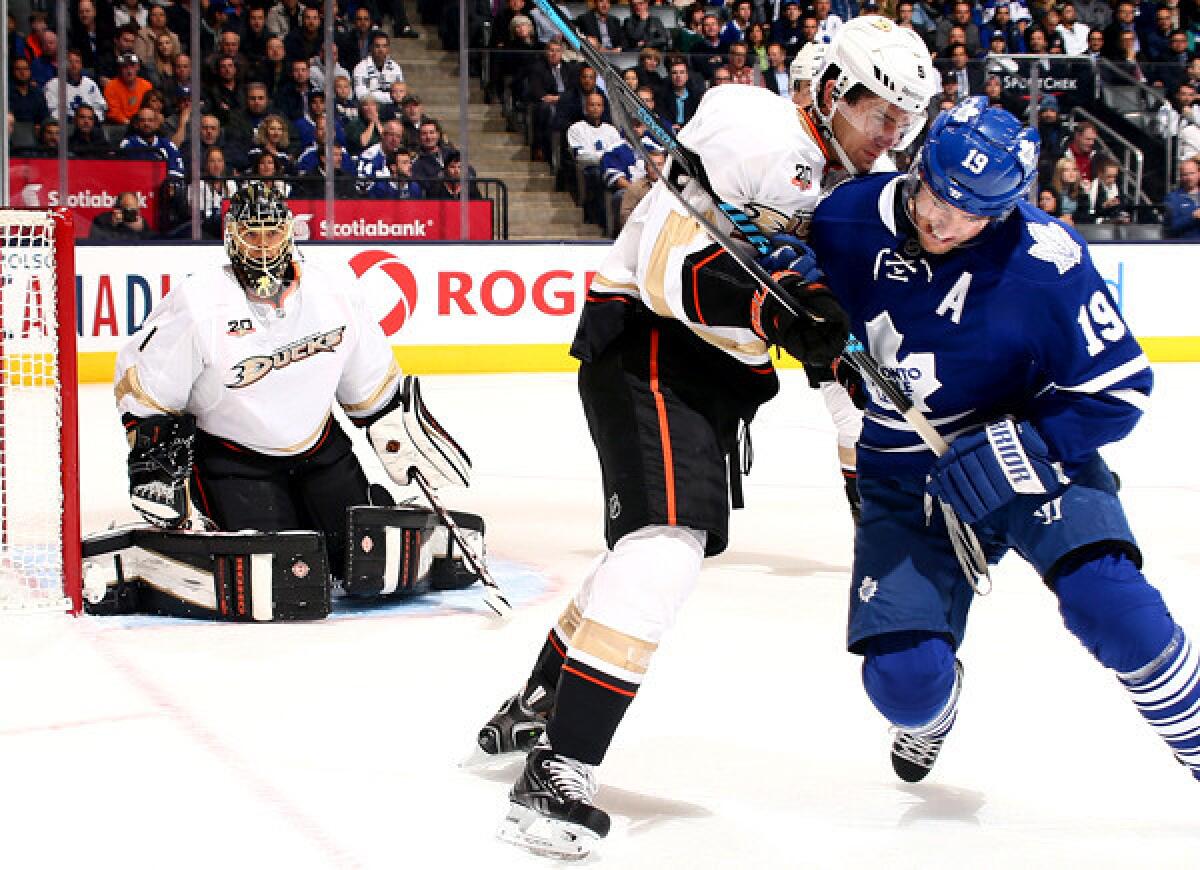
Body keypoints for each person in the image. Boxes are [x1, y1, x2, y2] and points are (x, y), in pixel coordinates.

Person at [479, 17, 938, 860]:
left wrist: (836, 355)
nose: (893, 135)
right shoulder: (753, 127)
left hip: (713, 376)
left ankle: (541, 701)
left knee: (647, 551)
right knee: (663, 549)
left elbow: (817, 324)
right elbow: (666, 269)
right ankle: (558, 771)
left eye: (905, 121)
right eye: (882, 114)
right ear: (835, 92)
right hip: (651, 346)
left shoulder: (843, 197)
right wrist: (779, 309)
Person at [806, 96, 1200, 793]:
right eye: (933, 194)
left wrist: (1039, 446)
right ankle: (932, 718)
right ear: (919, 167)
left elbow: (1124, 387)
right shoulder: (845, 218)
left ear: (1004, 210)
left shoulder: (1045, 263)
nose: (937, 218)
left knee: (1116, 609)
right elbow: (787, 299)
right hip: (904, 475)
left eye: (965, 212)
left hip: (1022, 451)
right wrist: (788, 291)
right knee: (902, 683)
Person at [112, 182, 466, 578]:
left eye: (272, 233)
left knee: (365, 568)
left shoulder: (334, 289)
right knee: (281, 573)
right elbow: (148, 390)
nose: (263, 247)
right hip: (234, 460)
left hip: (322, 452)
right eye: (251, 234)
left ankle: (370, 502)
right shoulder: (199, 302)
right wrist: (154, 465)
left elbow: (370, 387)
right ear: (231, 237)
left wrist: (396, 435)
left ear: (289, 233)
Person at [89, 191, 155, 241]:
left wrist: (141, 230)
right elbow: (96, 243)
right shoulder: (102, 220)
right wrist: (113, 225)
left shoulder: (140, 222)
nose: (133, 214)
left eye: (136, 210)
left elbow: (150, 243)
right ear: (118, 209)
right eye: (130, 209)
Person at [1164, 155, 1200, 237]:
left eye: (1192, 173)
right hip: (1185, 246)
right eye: (1185, 175)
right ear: (1181, 177)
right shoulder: (1172, 198)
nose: (1189, 178)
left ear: (1198, 174)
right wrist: (1193, 217)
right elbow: (1170, 227)